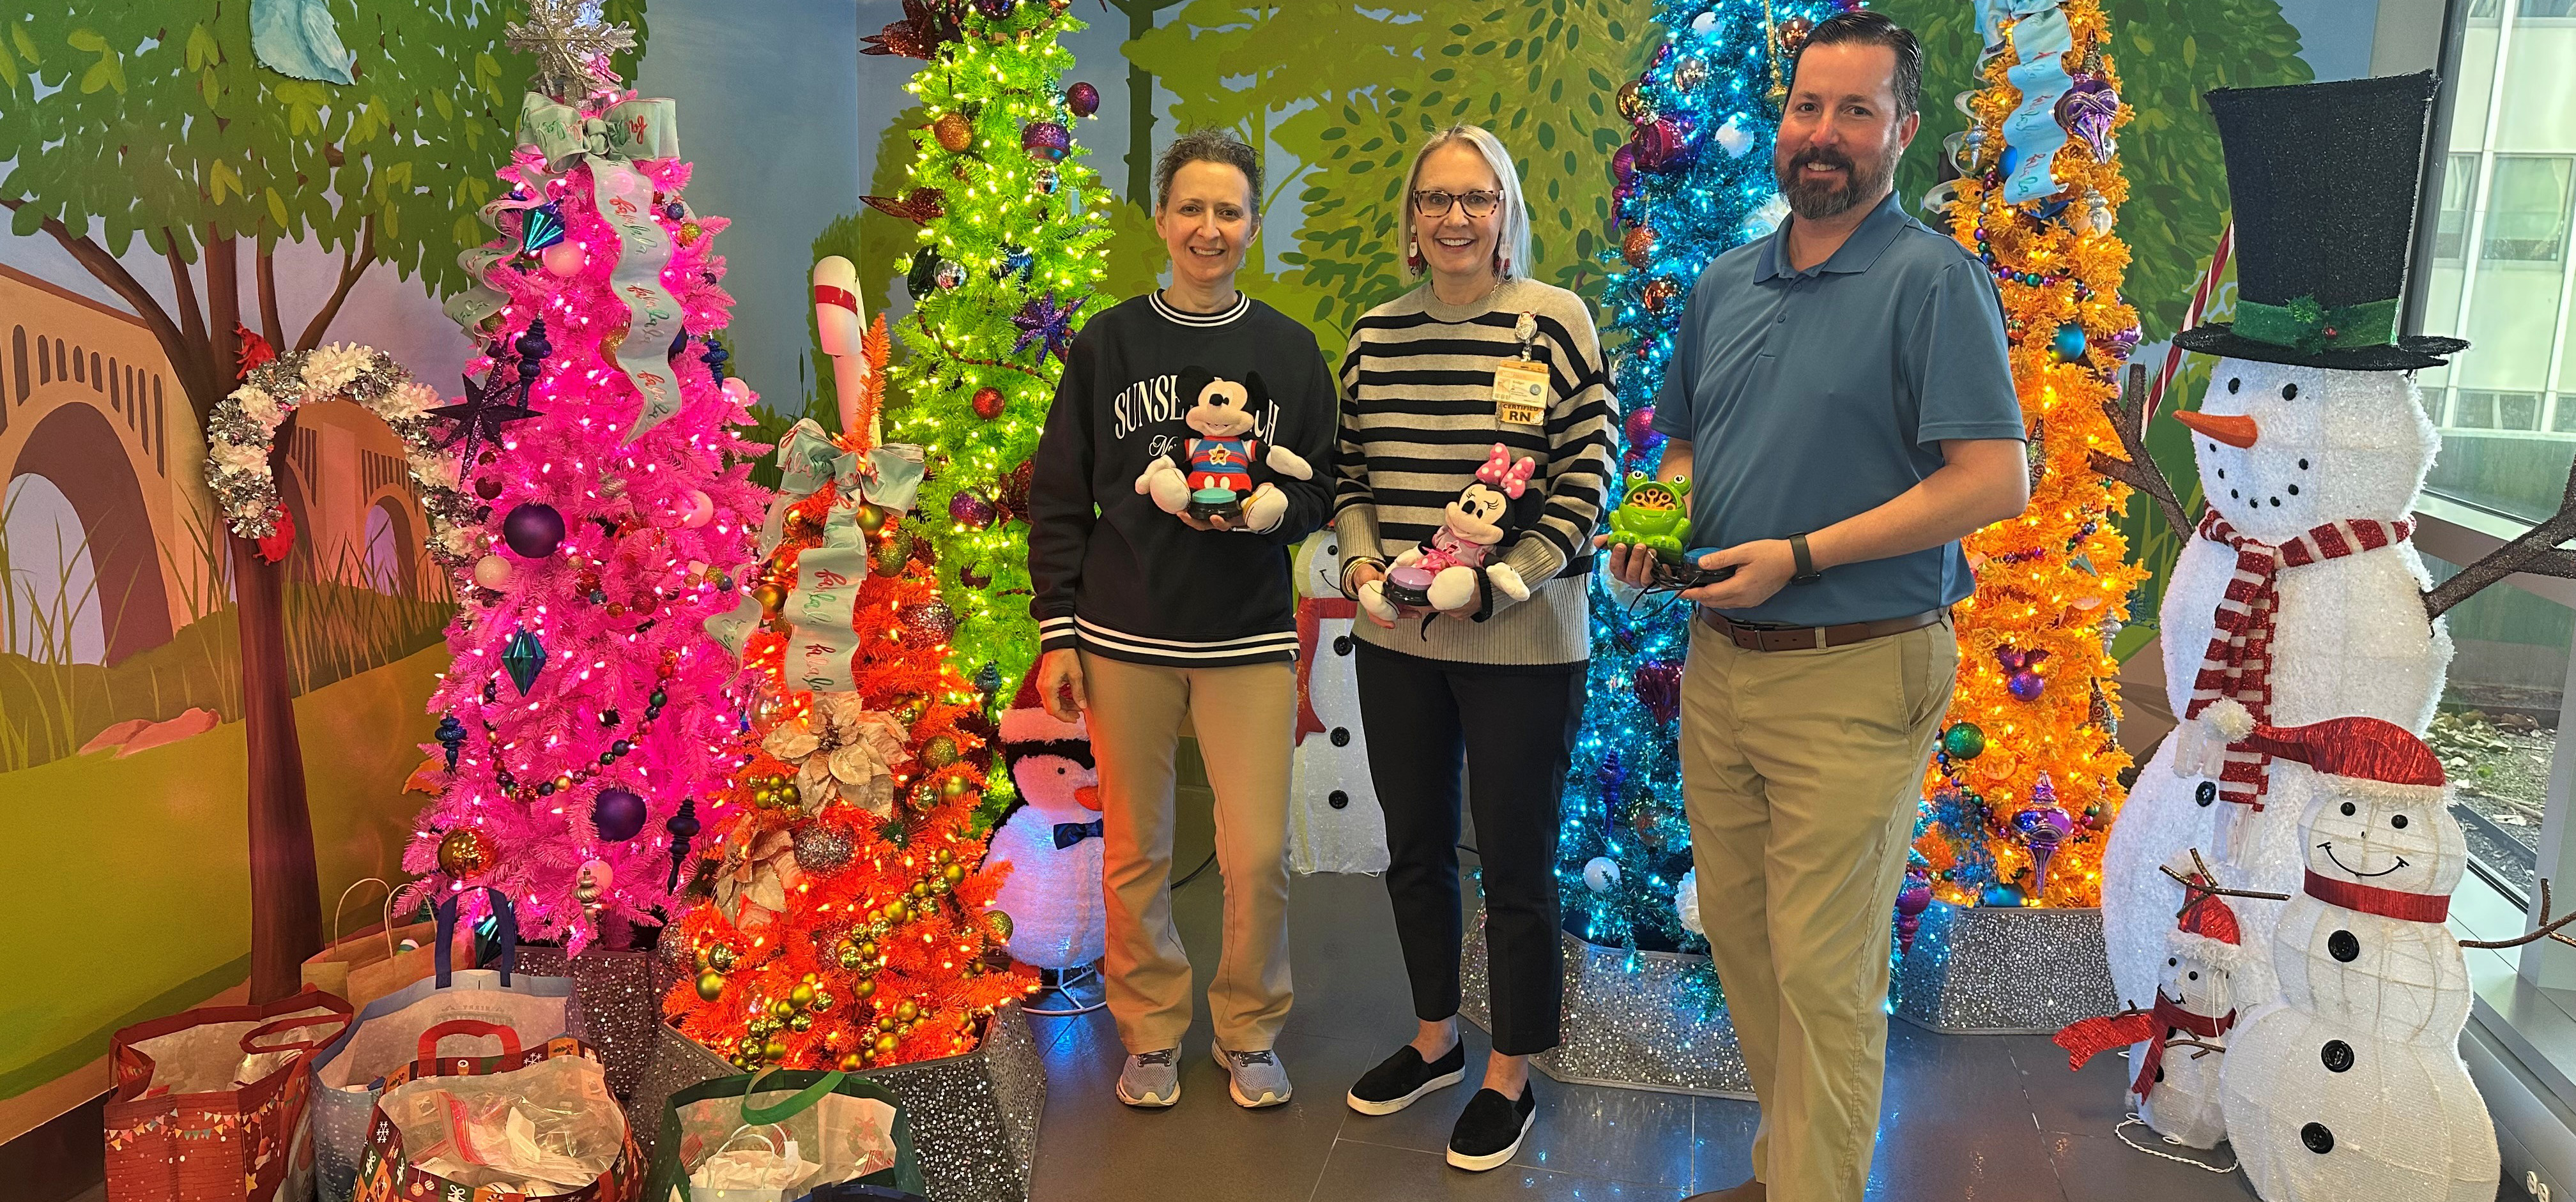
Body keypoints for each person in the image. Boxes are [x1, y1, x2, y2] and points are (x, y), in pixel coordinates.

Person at [1607, 13, 2029, 1202]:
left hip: (1859, 666)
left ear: (1900, 129)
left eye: (1857, 111)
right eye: (1808, 107)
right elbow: (1686, 449)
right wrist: (1658, 527)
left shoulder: (1933, 282)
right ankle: (1790, 1173)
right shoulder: (1726, 282)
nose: (1825, 134)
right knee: (1745, 948)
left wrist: (1801, 553)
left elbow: (1994, 478)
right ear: (1782, 120)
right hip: (1723, 664)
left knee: (1825, 974)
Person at [1024, 129, 1337, 1111]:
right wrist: (1056, 629)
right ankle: (1151, 1032)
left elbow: (1323, 483)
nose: (1210, 227)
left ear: (1252, 226)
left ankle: (1248, 1030)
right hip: (1123, 634)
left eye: (1230, 211)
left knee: (1255, 853)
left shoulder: (1286, 350)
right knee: (1137, 848)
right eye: (1192, 208)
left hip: (1245, 635)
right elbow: (1061, 492)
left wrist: (1287, 508)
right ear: (1161, 220)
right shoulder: (1111, 342)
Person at [1333, 123, 1616, 1172]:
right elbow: (1350, 473)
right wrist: (1364, 573)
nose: (1456, 217)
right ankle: (1435, 1037)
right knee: (1414, 846)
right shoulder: (1376, 333)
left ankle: (1511, 1069)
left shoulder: (1553, 322)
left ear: (1506, 213)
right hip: (1399, 638)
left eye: (1478, 197)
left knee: (1514, 862)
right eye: (1436, 199)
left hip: (1526, 641)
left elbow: (1592, 468)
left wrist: (1505, 578)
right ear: (1410, 222)